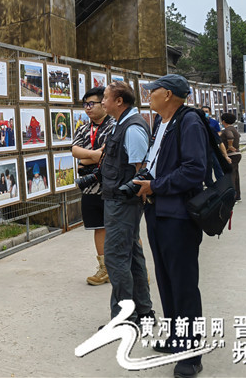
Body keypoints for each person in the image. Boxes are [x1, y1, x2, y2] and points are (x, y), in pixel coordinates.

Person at [133, 74, 209, 378]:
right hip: (158, 212)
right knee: (165, 279)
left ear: (168, 94)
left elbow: (194, 169)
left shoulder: (188, 122)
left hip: (178, 215)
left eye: (152, 91)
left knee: (183, 283)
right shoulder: (160, 122)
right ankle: (179, 337)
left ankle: (192, 353)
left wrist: (156, 186)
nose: (148, 95)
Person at [99, 81, 153, 326]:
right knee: (130, 256)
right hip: (117, 201)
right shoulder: (121, 124)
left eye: (105, 97)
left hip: (124, 203)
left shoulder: (132, 128)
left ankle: (125, 318)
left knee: (116, 258)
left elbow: (141, 170)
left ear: (119, 101)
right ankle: (143, 312)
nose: (101, 102)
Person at [71, 86, 115, 286]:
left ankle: (136, 268)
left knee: (123, 227)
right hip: (90, 187)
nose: (87, 108)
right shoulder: (83, 128)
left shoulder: (114, 126)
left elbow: (110, 155)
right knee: (99, 227)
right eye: (85, 104)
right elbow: (74, 150)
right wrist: (95, 156)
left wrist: (87, 158)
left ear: (104, 105)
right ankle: (104, 269)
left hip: (111, 186)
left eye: (92, 104)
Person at [220, 112, 242, 201]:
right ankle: (237, 195)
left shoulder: (227, 130)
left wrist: (229, 146)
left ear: (223, 121)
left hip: (231, 155)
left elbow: (230, 136)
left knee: (231, 175)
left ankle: (232, 196)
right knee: (235, 175)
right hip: (237, 154)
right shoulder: (234, 129)